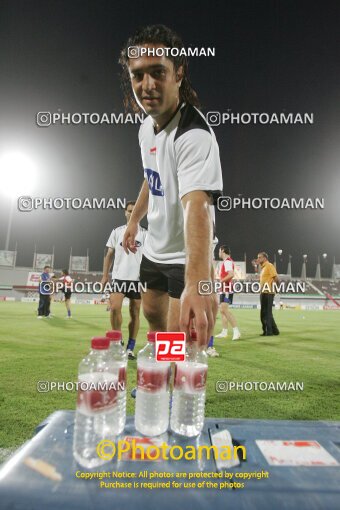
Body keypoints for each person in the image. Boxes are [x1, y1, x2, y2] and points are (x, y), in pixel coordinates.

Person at [119, 25, 223, 346]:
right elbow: (153, 179)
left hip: (186, 255)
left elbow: (198, 205)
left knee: (183, 338)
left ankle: (182, 393)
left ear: (178, 73)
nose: (147, 85)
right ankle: (161, 382)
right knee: (153, 318)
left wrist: (196, 282)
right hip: (155, 249)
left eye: (157, 72)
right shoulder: (145, 129)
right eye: (138, 75)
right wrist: (135, 221)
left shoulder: (193, 134)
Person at [101, 201, 147, 360]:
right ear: (125, 212)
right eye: (129, 210)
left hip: (138, 280)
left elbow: (149, 259)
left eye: (135, 211)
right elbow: (108, 255)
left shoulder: (145, 234)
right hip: (119, 277)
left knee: (135, 314)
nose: (132, 213)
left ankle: (130, 348)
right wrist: (105, 276)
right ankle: (117, 342)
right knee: (114, 308)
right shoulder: (116, 232)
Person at [215, 245, 241, 341]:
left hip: (226, 289)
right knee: (222, 311)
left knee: (224, 310)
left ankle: (236, 331)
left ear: (222, 251)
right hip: (224, 289)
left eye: (219, 251)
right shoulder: (227, 262)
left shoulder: (228, 262)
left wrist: (220, 282)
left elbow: (231, 274)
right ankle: (224, 332)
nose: (218, 253)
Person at [257, 252, 280, 336]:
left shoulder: (269, 266)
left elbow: (276, 278)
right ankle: (275, 331)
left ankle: (268, 331)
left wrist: (276, 288)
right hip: (263, 292)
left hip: (268, 292)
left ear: (265, 258)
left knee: (266, 313)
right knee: (265, 313)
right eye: (258, 257)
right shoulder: (263, 268)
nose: (258, 259)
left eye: (260, 257)